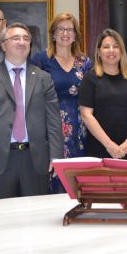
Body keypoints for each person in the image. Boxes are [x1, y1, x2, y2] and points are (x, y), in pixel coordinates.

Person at [0, 22, 63, 199]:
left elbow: (53, 121)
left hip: (35, 159)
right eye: (15, 38)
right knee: (3, 218)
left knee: (35, 216)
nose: (22, 42)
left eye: (26, 38)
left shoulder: (43, 78)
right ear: (3, 45)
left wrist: (56, 156)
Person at [30, 13, 92, 192]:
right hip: (51, 127)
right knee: (54, 178)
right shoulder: (40, 60)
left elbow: (91, 96)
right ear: (53, 34)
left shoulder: (84, 62)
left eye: (70, 29)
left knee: (79, 178)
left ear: (75, 36)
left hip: (80, 128)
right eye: (61, 29)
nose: (65, 33)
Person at [79, 29, 127, 160]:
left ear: (121, 51)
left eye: (116, 46)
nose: (111, 50)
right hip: (99, 146)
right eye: (106, 47)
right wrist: (109, 145)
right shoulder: (90, 78)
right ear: (99, 52)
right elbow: (86, 114)